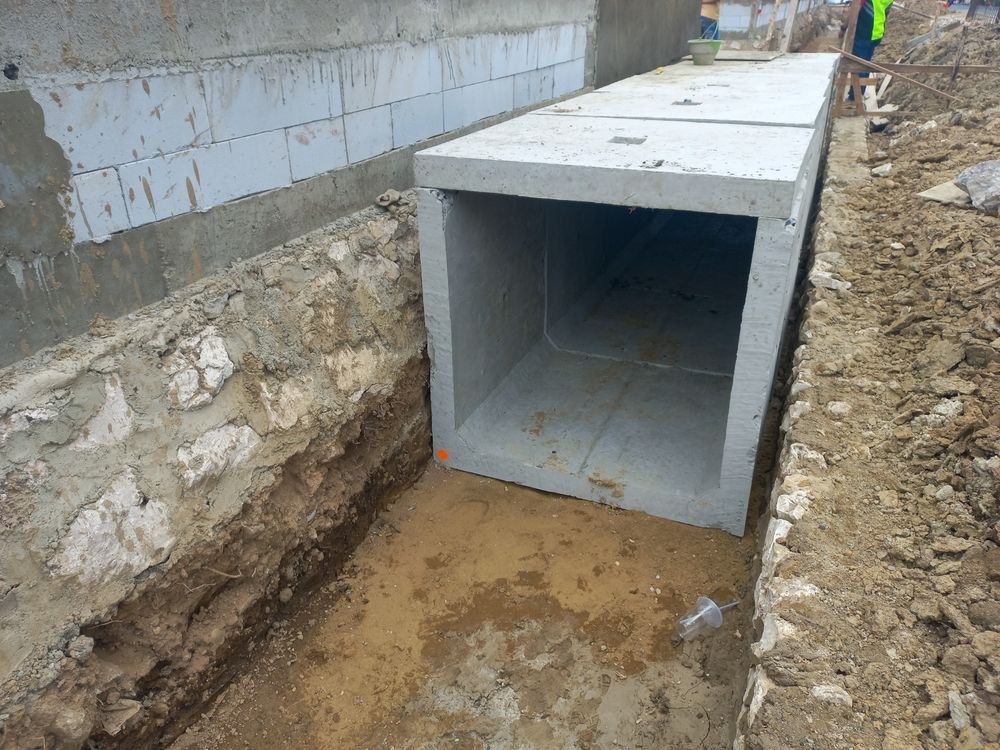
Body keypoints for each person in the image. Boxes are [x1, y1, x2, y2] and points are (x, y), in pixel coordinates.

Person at [845, 0, 893, 97]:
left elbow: (854, 11)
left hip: (864, 32)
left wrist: (843, 27)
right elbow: (886, 13)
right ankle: (860, 92)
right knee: (865, 64)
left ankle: (855, 97)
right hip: (876, 33)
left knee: (858, 64)